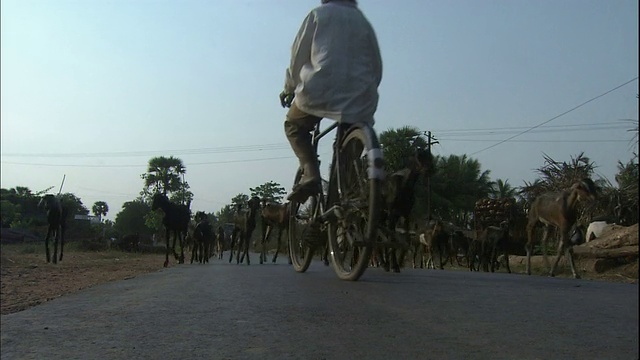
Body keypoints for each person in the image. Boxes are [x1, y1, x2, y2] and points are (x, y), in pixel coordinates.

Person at [280, 0, 383, 202]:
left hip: (319, 90)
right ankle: (343, 198)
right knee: (348, 151)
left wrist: (289, 88)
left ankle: (310, 172)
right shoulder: (363, 21)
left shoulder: (318, 15)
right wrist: (366, 89)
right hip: (361, 96)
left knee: (293, 126)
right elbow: (377, 66)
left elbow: (297, 57)